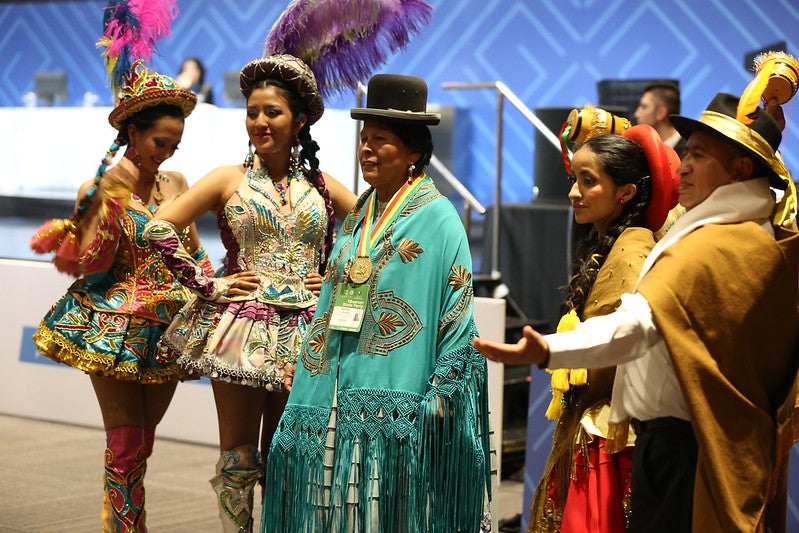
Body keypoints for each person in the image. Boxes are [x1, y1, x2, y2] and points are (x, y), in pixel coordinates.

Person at [473, 92, 799, 532]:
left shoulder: (715, 244)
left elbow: (637, 325)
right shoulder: (743, 233)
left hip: (685, 447)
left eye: (698, 155)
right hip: (684, 441)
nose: (682, 165)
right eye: (684, 153)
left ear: (740, 169)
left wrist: (548, 349)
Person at [261, 74, 493, 533]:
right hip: (337, 383)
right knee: (342, 505)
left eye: (380, 141)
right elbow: (334, 296)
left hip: (406, 391)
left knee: (393, 507)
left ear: (413, 154)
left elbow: (456, 304)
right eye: (364, 140)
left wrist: (445, 384)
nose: (365, 149)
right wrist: (309, 356)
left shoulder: (439, 217)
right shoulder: (358, 217)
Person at [143, 54, 356, 532]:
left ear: (299, 121)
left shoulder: (319, 185)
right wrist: (207, 282)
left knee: (289, 457)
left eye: (272, 112)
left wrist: (339, 272)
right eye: (252, 111)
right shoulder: (227, 178)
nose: (259, 122)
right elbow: (157, 229)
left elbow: (373, 228)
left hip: (305, 331)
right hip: (241, 327)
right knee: (238, 458)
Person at [30, 60, 203, 531]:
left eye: (174, 145)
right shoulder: (100, 188)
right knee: (125, 443)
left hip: (168, 327)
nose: (165, 155)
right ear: (132, 131)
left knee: (144, 442)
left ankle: (116, 512)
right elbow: (88, 266)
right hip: (113, 325)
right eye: (158, 143)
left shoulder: (178, 184)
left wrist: (217, 286)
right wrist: (99, 216)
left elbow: (192, 252)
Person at [530, 121, 679, 533]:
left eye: (588, 182)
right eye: (574, 180)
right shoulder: (611, 241)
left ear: (626, 192)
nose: (573, 193)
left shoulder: (633, 250)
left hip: (607, 434)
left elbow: (622, 345)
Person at [634, 80, 686, 156]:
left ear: (660, 113)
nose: (636, 114)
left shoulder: (687, 153)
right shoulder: (643, 149)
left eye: (644, 107)